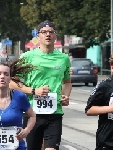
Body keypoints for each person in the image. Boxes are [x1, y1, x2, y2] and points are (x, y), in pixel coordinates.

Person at [9, 20, 72, 150]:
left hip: (55, 112)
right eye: (44, 32)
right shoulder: (27, 57)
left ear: (55, 36)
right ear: (38, 36)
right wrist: (33, 91)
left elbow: (67, 82)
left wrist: (66, 96)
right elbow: (11, 82)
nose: (48, 34)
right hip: (32, 113)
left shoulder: (63, 58)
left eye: (51, 32)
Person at [0, 61, 36, 150]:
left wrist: (26, 131)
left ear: (9, 78)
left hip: (17, 147)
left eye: (6, 74)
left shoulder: (19, 97)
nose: (2, 77)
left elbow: (32, 116)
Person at [85, 49, 113, 150]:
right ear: (112, 67)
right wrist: (110, 109)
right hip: (108, 141)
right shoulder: (104, 86)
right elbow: (89, 110)